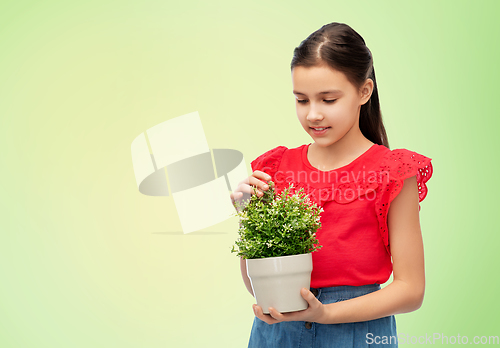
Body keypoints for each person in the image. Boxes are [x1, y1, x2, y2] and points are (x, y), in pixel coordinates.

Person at [230, 22, 433, 348]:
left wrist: (325, 314)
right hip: (277, 334)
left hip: (355, 333)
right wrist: (249, 219)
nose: (313, 115)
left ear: (364, 92)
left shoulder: (392, 173)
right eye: (301, 100)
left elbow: (411, 290)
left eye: (328, 99)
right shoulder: (275, 167)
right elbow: (257, 285)